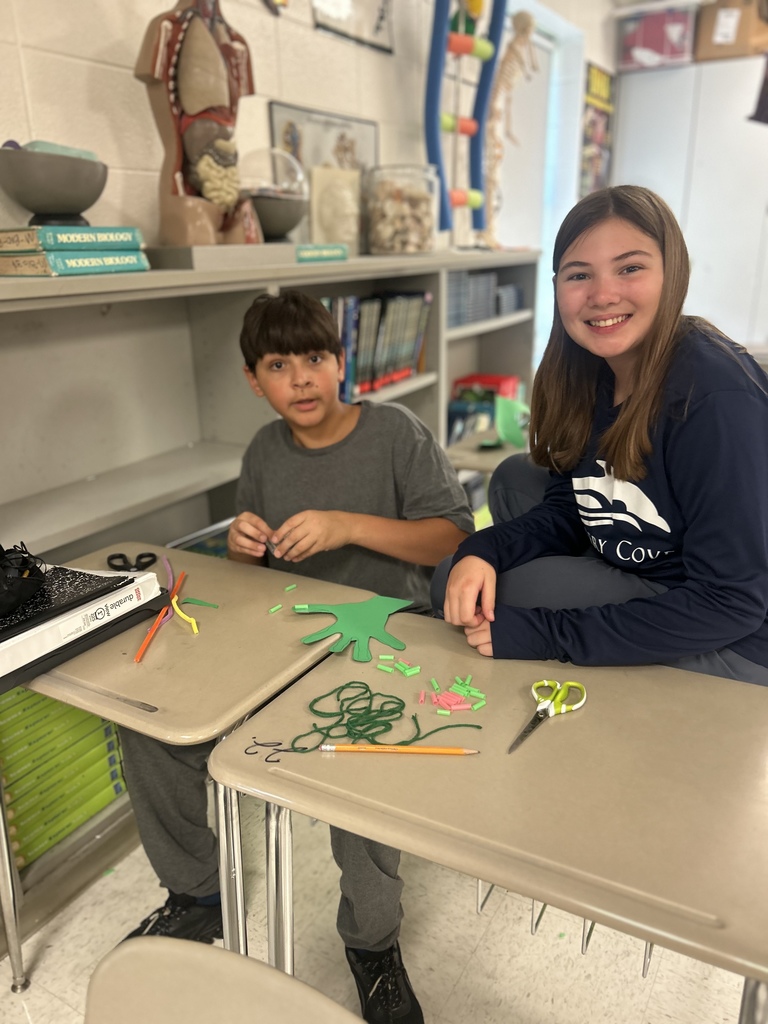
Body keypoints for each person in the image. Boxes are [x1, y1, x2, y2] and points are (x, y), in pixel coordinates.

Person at [119, 289, 474, 1024]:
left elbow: (451, 538)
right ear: (256, 381)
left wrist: (350, 525)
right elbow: (254, 580)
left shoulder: (396, 433)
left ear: (341, 362)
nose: (302, 379)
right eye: (280, 365)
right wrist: (243, 548)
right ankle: (196, 896)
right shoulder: (263, 452)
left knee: (364, 765)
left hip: (385, 638)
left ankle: (372, 944)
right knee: (149, 721)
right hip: (282, 640)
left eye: (315, 358)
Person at [437, 184, 768, 685]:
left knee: (487, 596)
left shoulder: (715, 398)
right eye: (579, 275)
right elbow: (575, 502)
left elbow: (732, 602)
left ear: (671, 271)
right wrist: (482, 549)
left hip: (734, 637)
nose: (603, 294)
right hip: (657, 563)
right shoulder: (593, 368)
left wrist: (551, 635)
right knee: (508, 488)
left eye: (630, 268)